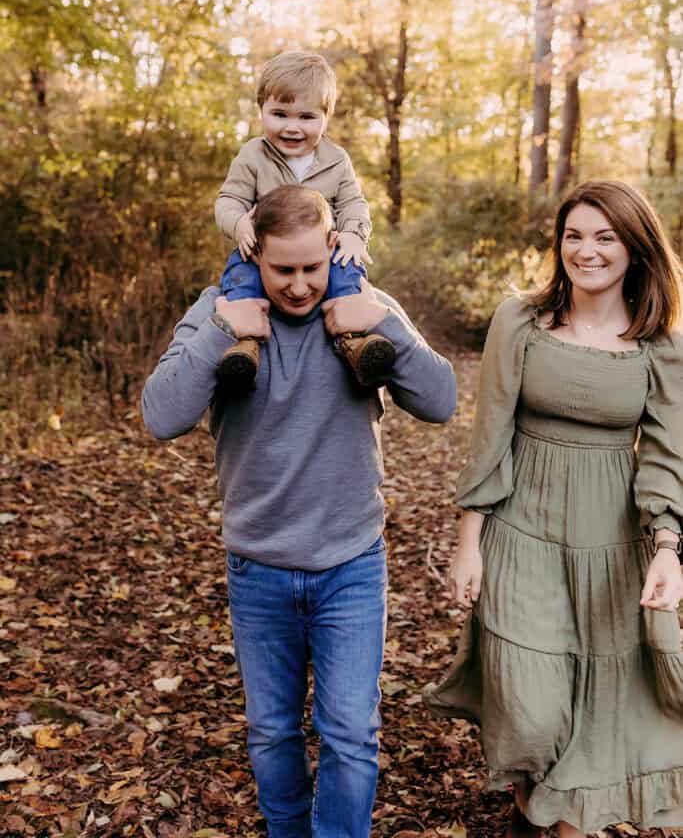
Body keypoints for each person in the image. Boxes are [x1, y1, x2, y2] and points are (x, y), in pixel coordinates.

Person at [142, 185, 457, 838]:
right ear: (253, 255)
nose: (297, 285)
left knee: (350, 731)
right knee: (272, 730)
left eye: (311, 267)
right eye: (281, 269)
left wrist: (383, 325)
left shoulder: (359, 307)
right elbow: (161, 415)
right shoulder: (217, 310)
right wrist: (227, 330)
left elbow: (440, 400)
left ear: (331, 252)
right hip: (258, 566)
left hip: (350, 564)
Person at [423, 180, 683, 838]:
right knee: (534, 711)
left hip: (610, 543)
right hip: (522, 531)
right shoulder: (520, 321)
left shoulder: (659, 346)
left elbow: (664, 456)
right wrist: (467, 543)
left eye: (604, 237)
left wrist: (665, 549)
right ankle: (535, 797)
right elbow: (490, 438)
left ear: (634, 249)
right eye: (573, 235)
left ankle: (563, 814)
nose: (586, 250)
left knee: (599, 706)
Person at [214, 49, 396, 391]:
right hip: (265, 252)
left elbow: (353, 203)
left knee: (348, 274)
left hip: (320, 256)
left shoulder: (336, 160)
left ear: (325, 117)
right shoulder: (253, 155)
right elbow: (229, 200)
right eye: (280, 114)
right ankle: (245, 347)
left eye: (307, 117)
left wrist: (355, 236)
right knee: (241, 278)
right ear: (262, 110)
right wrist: (239, 224)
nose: (292, 127)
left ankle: (354, 342)